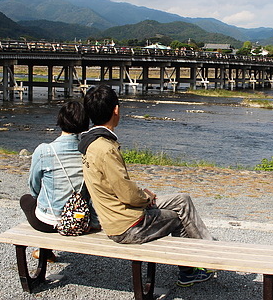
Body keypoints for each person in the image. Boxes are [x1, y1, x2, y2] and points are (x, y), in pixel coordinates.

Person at [79, 84, 214, 287]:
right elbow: (128, 196)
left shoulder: (90, 143)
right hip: (127, 226)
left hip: (117, 217)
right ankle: (193, 268)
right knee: (178, 217)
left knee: (182, 199)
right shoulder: (106, 149)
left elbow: (117, 188)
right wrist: (146, 198)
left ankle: (207, 248)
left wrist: (142, 194)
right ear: (116, 110)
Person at [20, 101, 99, 259]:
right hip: (79, 220)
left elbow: (33, 185)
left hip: (48, 222)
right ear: (85, 124)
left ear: (60, 121)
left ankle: (45, 251)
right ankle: (45, 251)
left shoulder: (44, 151)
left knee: (26, 200)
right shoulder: (89, 152)